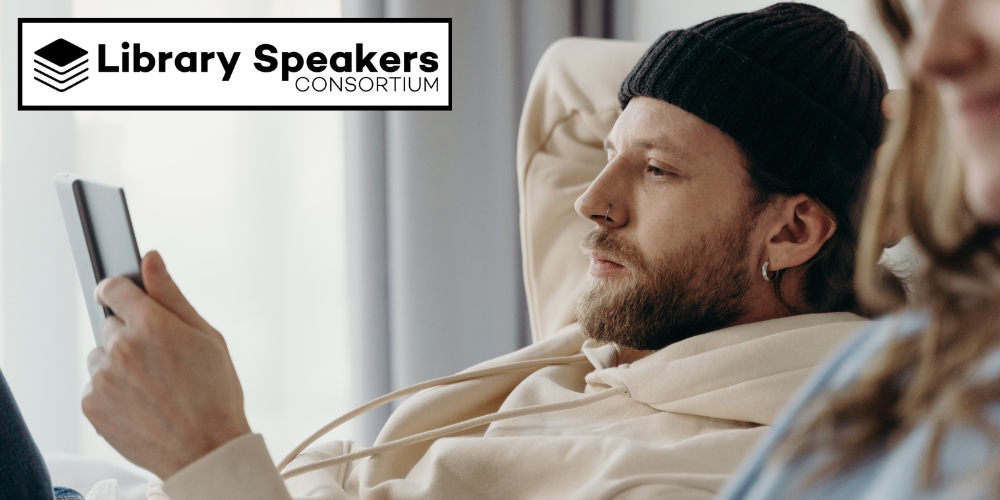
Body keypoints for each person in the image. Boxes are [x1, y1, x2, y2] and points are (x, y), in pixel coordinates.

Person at [76, 4, 888, 499]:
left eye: (657, 171)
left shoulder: (744, 466)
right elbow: (567, 83)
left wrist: (206, 449)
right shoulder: (632, 333)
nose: (591, 201)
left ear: (791, 231)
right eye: (611, 153)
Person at [719, 0, 1000, 499]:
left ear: (795, 232)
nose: (928, 58)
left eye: (659, 170)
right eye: (925, 9)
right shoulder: (889, 359)